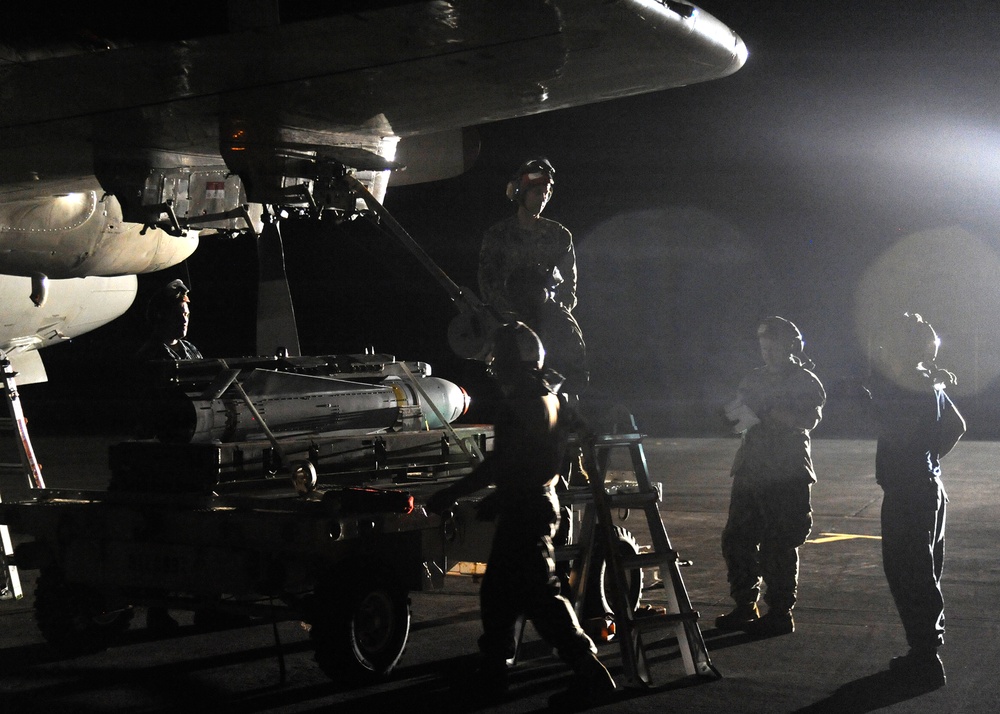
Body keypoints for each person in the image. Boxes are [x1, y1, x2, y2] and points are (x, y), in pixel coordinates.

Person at [426, 322, 616, 707]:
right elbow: (581, 431)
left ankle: (591, 673)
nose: (496, 370)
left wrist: (452, 493)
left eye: (501, 361)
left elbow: (499, 463)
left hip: (527, 508)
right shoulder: (551, 397)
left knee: (541, 598)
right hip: (537, 503)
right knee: (498, 594)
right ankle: (494, 673)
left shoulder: (520, 405)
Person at [869, 312, 965, 688]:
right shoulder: (928, 383)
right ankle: (924, 652)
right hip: (929, 487)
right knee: (924, 573)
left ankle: (925, 660)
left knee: (910, 575)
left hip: (909, 493)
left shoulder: (907, 386)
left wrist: (868, 408)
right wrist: (932, 458)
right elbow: (956, 426)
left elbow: (898, 432)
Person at [716, 316, 826, 638]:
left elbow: (807, 420)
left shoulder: (805, 381)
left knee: (779, 544)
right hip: (751, 469)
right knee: (737, 540)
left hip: (786, 472)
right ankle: (745, 605)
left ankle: (779, 612)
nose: (768, 353)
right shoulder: (753, 379)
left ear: (790, 347)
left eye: (773, 347)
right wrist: (729, 417)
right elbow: (739, 418)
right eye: (763, 347)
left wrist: (769, 410)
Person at [134, 278, 202, 633]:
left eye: (187, 312)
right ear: (161, 315)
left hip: (192, 450)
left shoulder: (191, 351)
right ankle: (158, 613)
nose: (185, 318)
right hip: (164, 456)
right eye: (178, 312)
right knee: (164, 536)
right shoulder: (150, 356)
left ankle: (210, 606)